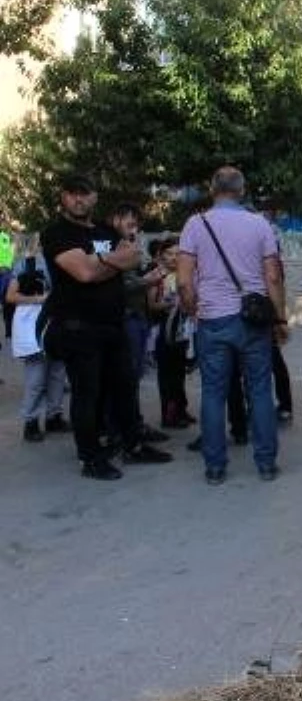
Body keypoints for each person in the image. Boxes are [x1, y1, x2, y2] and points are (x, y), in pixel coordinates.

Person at [39, 173, 173, 480]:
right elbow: (84, 273)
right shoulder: (57, 233)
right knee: (88, 395)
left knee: (125, 389)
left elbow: (133, 257)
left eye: (85, 193)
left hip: (114, 326)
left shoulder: (104, 230)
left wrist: (99, 261)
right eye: (72, 193)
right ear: (63, 197)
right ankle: (90, 458)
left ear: (95, 197)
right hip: (78, 329)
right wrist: (111, 261)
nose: (79, 199)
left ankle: (133, 445)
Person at [177, 166, 287, 485]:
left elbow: (184, 281)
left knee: (213, 393)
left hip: (212, 320)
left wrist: (192, 308)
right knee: (260, 391)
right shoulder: (260, 224)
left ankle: (214, 467)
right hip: (253, 320)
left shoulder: (195, 225)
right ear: (241, 190)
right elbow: (274, 276)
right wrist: (279, 318)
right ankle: (266, 464)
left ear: (213, 189)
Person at [109, 202, 170, 443]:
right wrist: (148, 281)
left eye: (136, 222)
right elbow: (120, 285)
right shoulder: (114, 247)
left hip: (139, 316)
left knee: (134, 375)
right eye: (128, 221)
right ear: (115, 220)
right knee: (126, 377)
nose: (133, 226)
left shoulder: (133, 245)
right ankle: (122, 430)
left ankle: (133, 424)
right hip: (127, 318)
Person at [6, 245, 69, 442]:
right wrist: (40, 299)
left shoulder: (67, 262)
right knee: (37, 377)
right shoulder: (27, 263)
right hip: (33, 326)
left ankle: (54, 417)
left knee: (58, 373)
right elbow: (10, 296)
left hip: (58, 324)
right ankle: (31, 422)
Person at [149, 236, 195, 429]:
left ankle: (181, 410)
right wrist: (167, 304)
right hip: (164, 332)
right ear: (161, 255)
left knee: (179, 372)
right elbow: (151, 304)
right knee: (168, 375)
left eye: (178, 253)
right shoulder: (156, 275)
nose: (174, 258)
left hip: (183, 331)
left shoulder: (186, 274)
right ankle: (169, 416)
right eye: (169, 253)